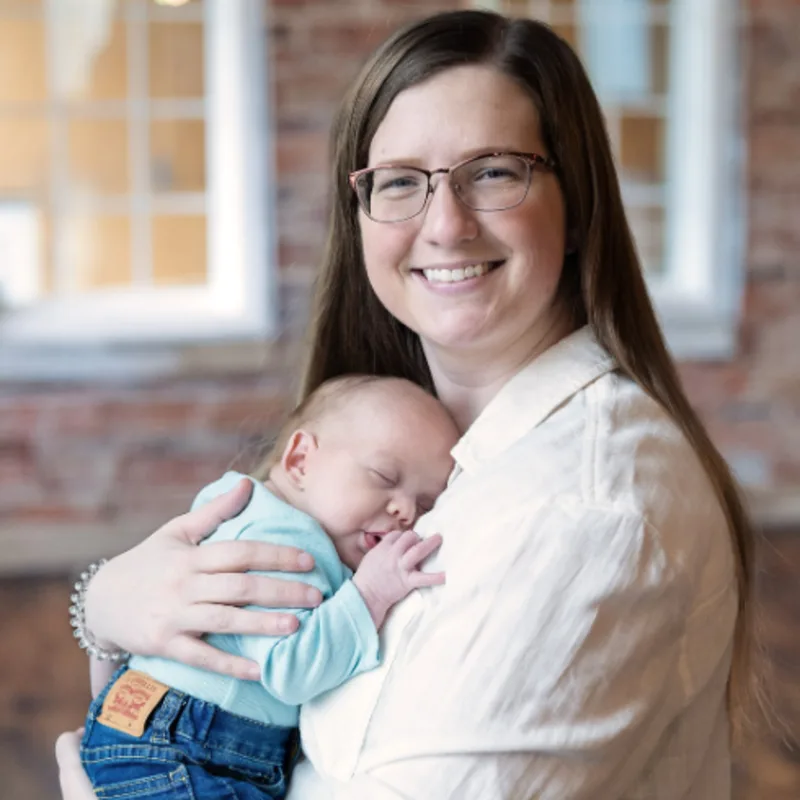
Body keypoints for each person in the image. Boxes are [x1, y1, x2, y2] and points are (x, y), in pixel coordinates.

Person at [57, 9, 756, 799]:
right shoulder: (390, 443)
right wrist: (108, 602)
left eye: (493, 171)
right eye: (399, 182)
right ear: (360, 219)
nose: (446, 224)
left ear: (577, 206)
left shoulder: (580, 506)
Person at [79, 374, 457, 799]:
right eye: (384, 476)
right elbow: (289, 669)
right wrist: (370, 594)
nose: (405, 510)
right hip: (182, 749)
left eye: (426, 504)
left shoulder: (253, 511)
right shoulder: (285, 540)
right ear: (299, 461)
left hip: (164, 736)